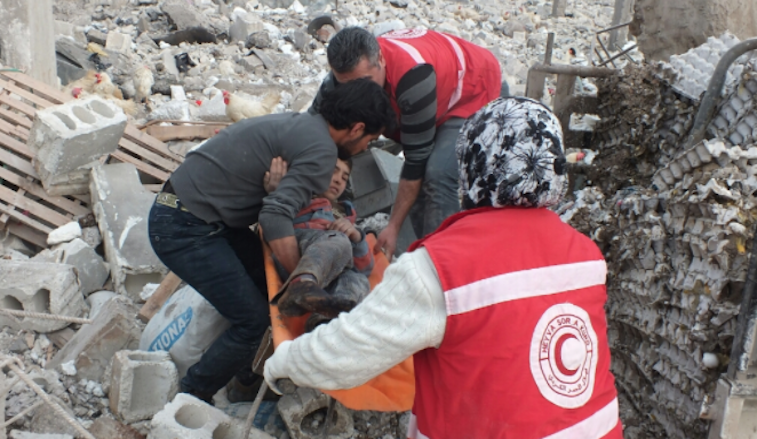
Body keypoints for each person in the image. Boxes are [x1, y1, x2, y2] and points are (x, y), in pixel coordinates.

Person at [265, 98, 624, 439]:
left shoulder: (441, 268)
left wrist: (282, 363)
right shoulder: (585, 254)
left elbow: (342, 355)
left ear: (472, 162)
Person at [147, 78, 395, 404]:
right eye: (369, 140)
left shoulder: (305, 126)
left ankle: (248, 374)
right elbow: (276, 216)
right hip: (185, 225)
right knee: (253, 320)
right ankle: (192, 396)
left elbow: (277, 205)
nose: (365, 148)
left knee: (268, 291)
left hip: (194, 212)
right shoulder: (321, 151)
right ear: (356, 128)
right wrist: (299, 280)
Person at [309, 26, 503, 259]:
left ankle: (441, 264)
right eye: (347, 84)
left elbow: (416, 161)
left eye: (364, 82)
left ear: (380, 59)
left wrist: (393, 226)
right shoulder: (341, 79)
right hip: (422, 92)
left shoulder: (413, 77)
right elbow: (309, 128)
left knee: (437, 174)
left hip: (468, 91)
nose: (356, 91)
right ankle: (416, 253)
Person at [265, 157, 374, 332]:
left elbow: (366, 269)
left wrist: (356, 237)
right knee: (339, 240)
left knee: (357, 279)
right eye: (334, 171)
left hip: (328, 274)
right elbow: (275, 214)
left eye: (345, 177)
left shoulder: (344, 217)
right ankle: (301, 283)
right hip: (297, 252)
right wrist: (277, 192)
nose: (339, 179)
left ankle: (325, 322)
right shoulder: (300, 196)